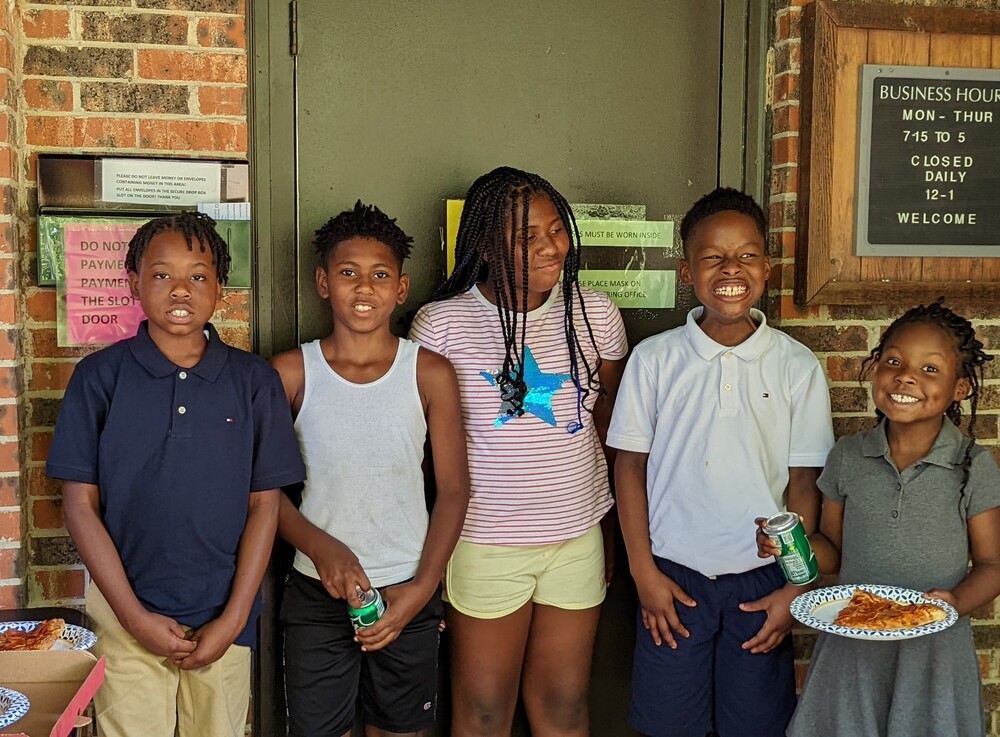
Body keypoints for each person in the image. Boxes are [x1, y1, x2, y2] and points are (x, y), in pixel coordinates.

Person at [47, 212, 306, 737]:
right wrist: (133, 617)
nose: (180, 289)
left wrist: (234, 621)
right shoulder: (100, 378)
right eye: (162, 274)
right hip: (126, 614)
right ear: (133, 283)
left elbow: (265, 504)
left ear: (220, 288)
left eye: (198, 275)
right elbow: (79, 505)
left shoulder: (253, 381)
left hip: (224, 615)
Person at [607, 187, 835, 737]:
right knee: (669, 723)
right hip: (672, 579)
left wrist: (795, 588)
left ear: (766, 268)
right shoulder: (655, 359)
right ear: (687, 271)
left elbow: (804, 482)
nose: (731, 268)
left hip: (761, 585)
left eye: (747, 255)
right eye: (713, 257)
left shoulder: (796, 366)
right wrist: (642, 572)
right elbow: (628, 469)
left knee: (755, 724)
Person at [408, 167, 628, 736]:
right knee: (482, 712)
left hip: (576, 539)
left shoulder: (593, 313)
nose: (552, 245)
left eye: (557, 229)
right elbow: (424, 456)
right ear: (484, 244)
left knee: (564, 703)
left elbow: (612, 433)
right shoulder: (442, 325)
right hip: (485, 543)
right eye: (528, 237)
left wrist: (609, 527)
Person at [758, 300, 1000, 737]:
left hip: (934, 653)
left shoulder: (971, 464)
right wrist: (789, 546)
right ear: (874, 369)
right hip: (852, 648)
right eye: (893, 361)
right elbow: (830, 552)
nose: (906, 376)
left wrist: (955, 604)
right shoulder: (849, 457)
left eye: (930, 369)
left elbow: (992, 565)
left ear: (961, 388)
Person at [273, 200, 469, 737]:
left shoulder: (429, 373)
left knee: (401, 730)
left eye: (380, 275)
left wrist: (424, 586)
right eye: (348, 273)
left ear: (401, 289)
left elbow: (453, 490)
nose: (364, 288)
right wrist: (321, 547)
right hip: (316, 592)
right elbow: (262, 491)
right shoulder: (291, 373)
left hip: (407, 586)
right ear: (322, 282)